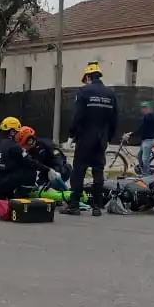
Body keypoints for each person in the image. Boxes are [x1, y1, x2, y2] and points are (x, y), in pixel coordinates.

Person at [61, 61, 118, 216]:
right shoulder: (110, 94)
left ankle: (74, 206)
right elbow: (114, 120)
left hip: (85, 137)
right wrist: (108, 137)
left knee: (79, 171)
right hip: (101, 139)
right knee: (98, 172)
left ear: (87, 77)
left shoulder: (84, 92)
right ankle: (97, 207)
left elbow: (77, 116)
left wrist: (72, 133)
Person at [0, 124, 56, 200]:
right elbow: (30, 162)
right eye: (18, 132)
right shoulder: (13, 146)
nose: (19, 135)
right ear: (12, 132)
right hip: (1, 183)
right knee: (30, 172)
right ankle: (18, 197)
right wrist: (48, 169)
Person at [14, 126, 67, 191]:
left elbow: (58, 159)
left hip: (58, 170)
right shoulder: (30, 150)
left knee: (52, 182)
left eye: (24, 145)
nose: (24, 148)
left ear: (30, 141)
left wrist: (57, 171)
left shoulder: (46, 144)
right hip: (45, 170)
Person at [123, 101, 154, 175]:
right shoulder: (147, 116)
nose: (143, 109)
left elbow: (142, 129)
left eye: (145, 108)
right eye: (142, 108)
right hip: (146, 140)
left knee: (145, 159)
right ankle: (143, 171)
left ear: (149, 108)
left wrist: (131, 134)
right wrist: (131, 134)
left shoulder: (150, 116)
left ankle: (146, 175)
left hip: (149, 140)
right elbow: (142, 129)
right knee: (139, 156)